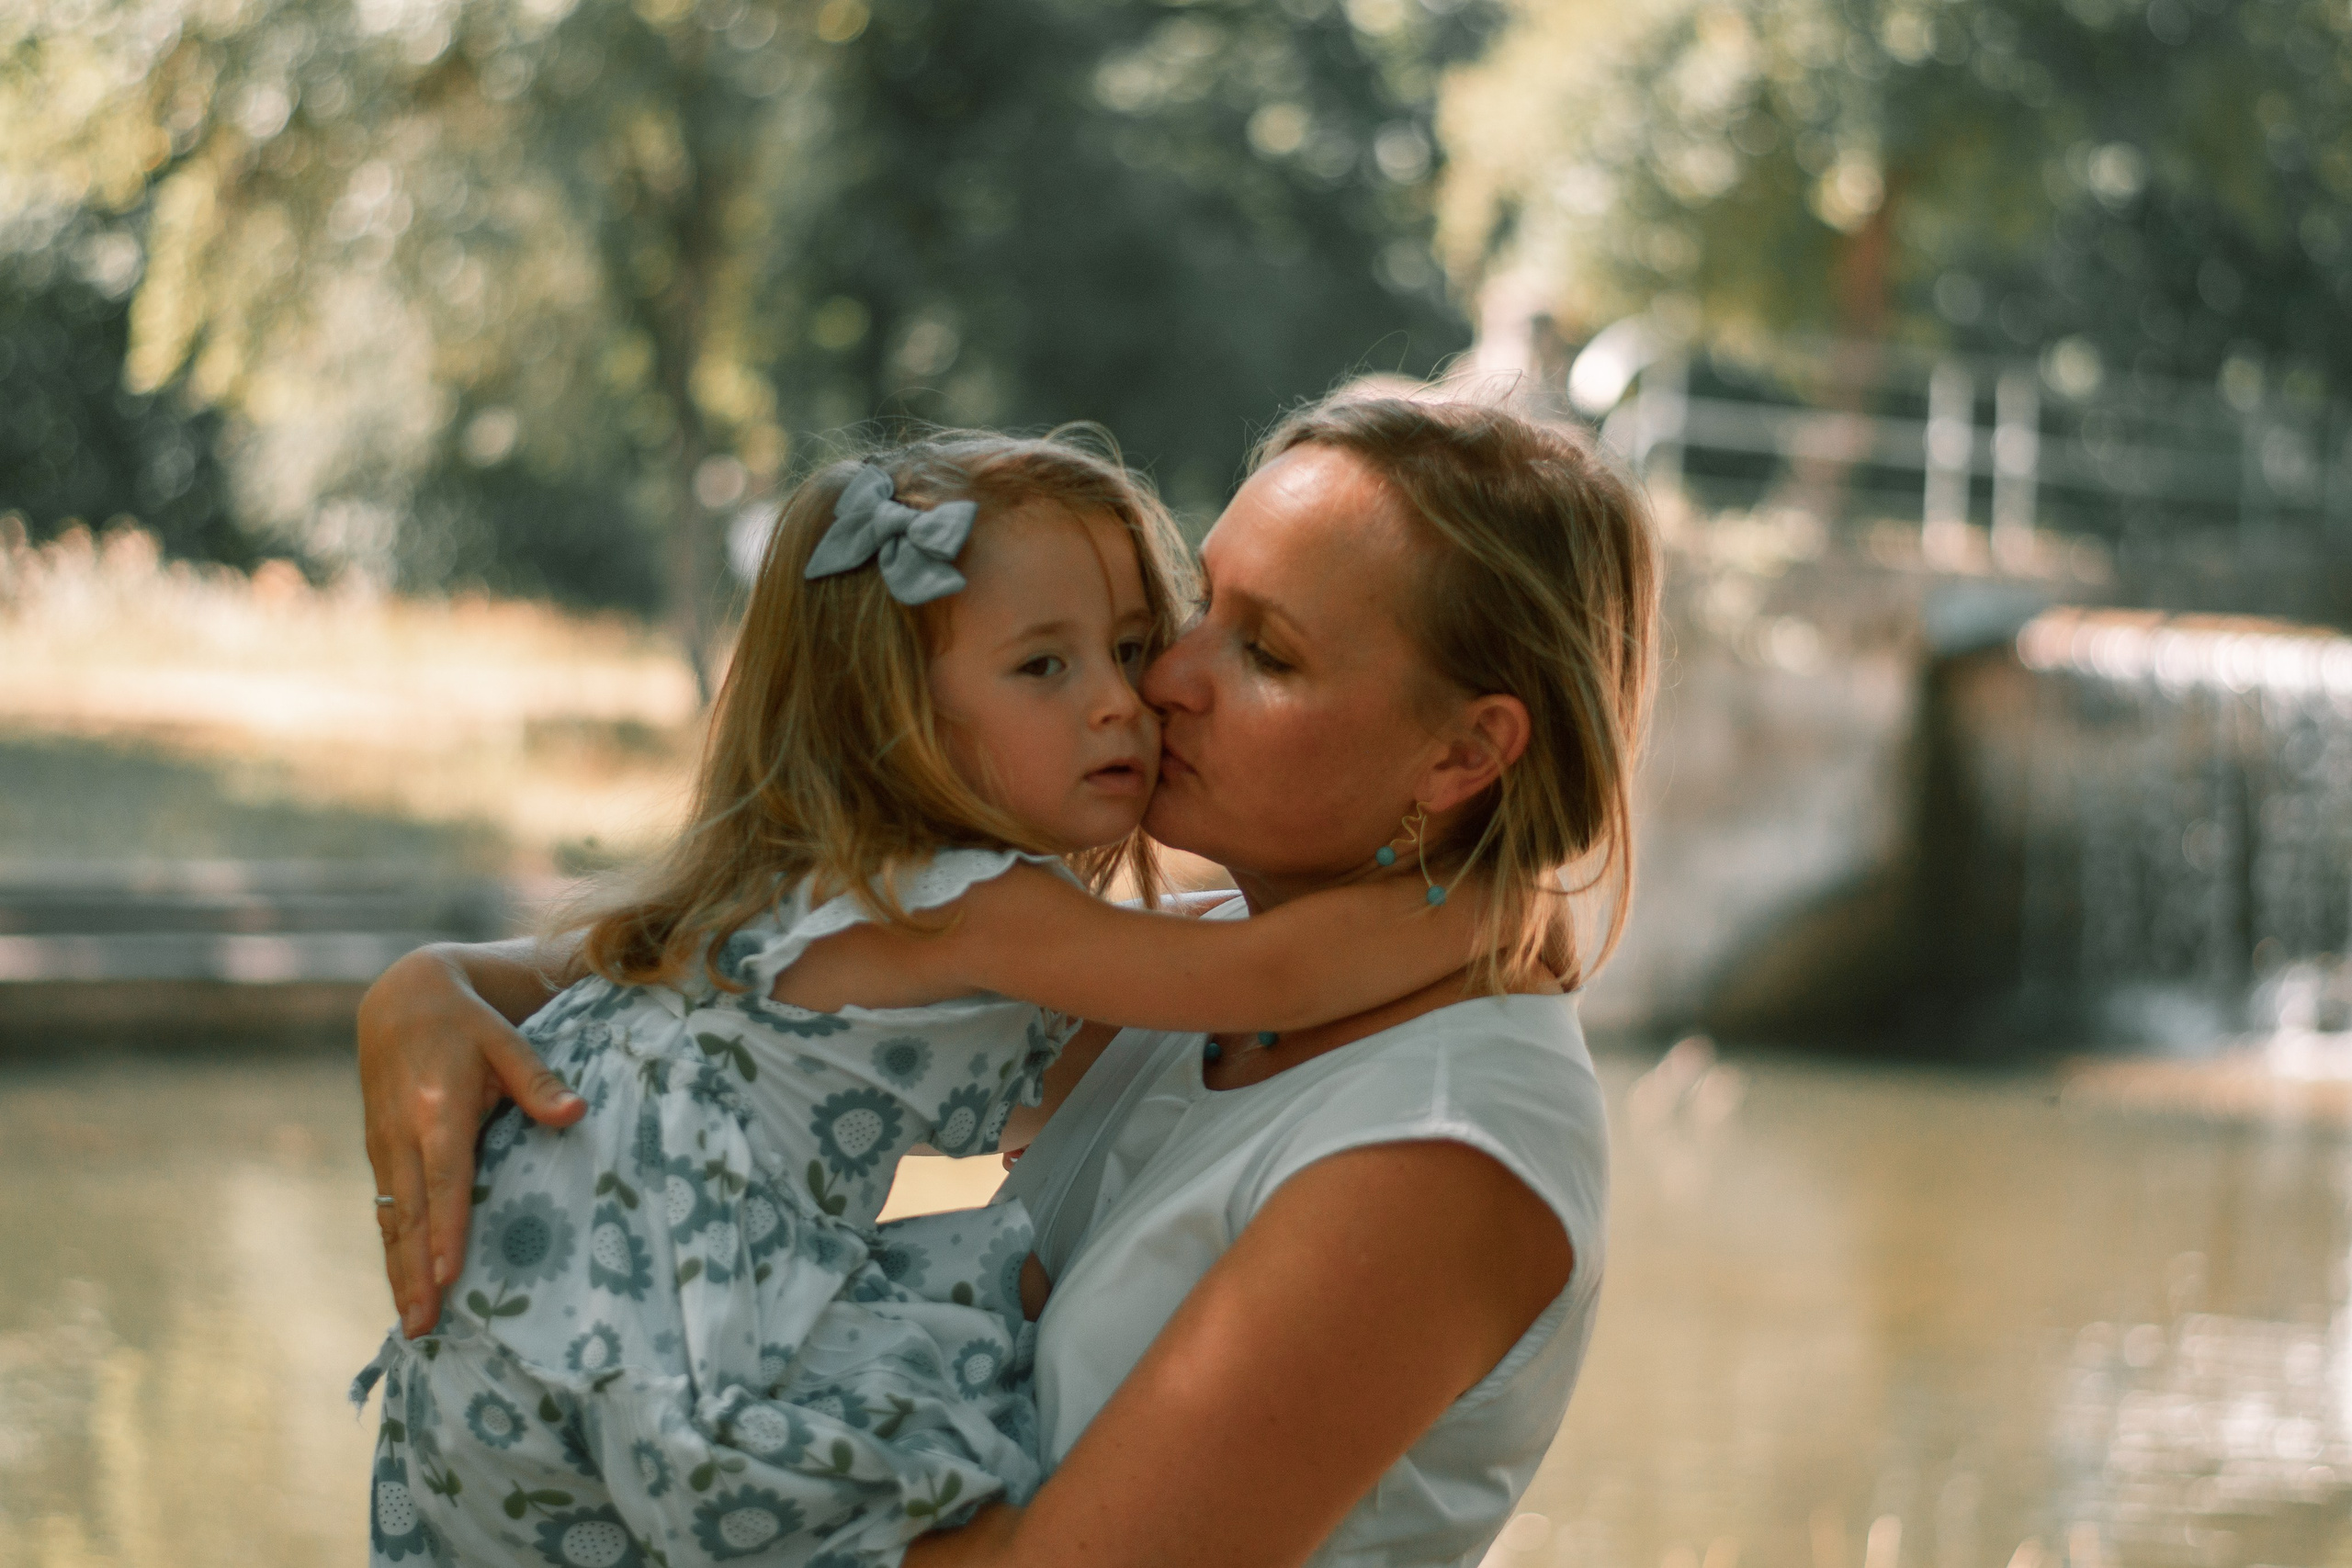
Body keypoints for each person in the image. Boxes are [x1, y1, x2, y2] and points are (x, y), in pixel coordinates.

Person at [360, 393, 1659, 1567]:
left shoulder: (1443, 1144)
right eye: (1194, 610)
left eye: (1265, 654)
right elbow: (751, 985)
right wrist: (437, 988)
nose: (1166, 679)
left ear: (1461, 757)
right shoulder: (1193, 973)